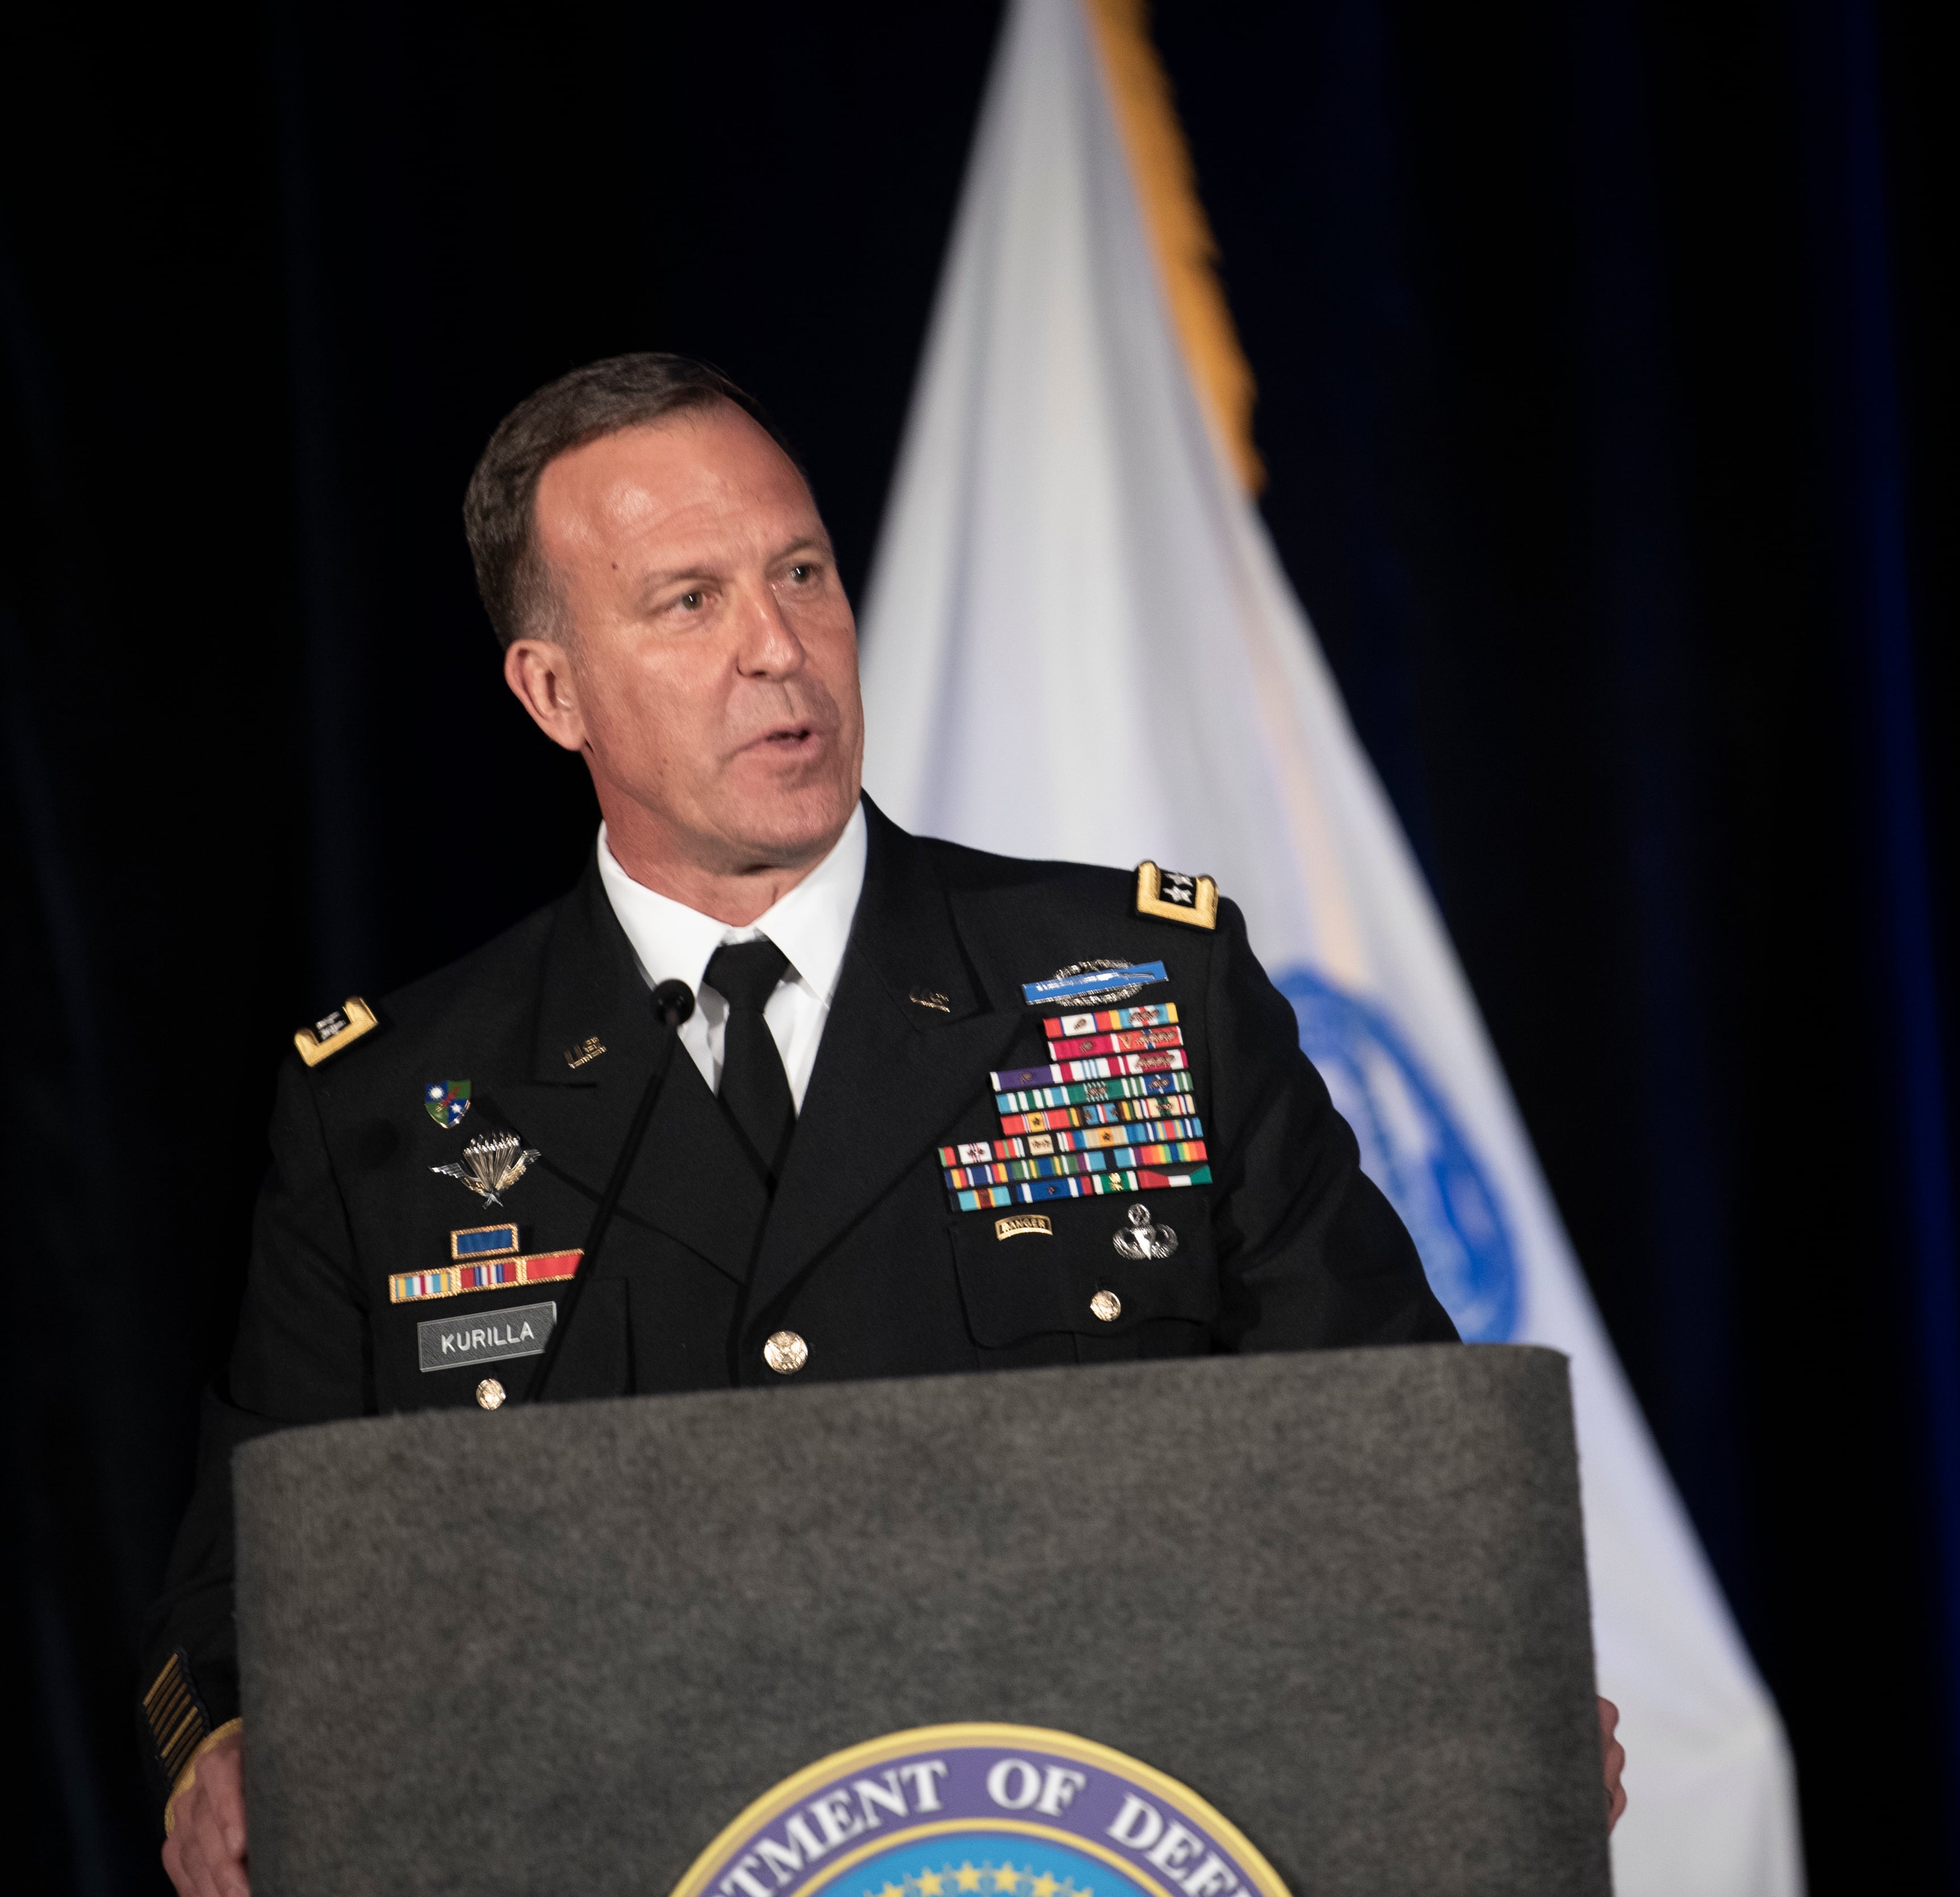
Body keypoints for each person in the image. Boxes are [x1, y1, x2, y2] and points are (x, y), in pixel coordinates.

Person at [144, 355, 1624, 1897]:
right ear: (553, 689)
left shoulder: (1138, 992)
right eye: (688, 602)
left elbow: (1398, 1466)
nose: (779, 649)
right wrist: (227, 1749)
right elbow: (249, 1588)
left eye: (801, 573)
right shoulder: (387, 1112)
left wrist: (1499, 1682)